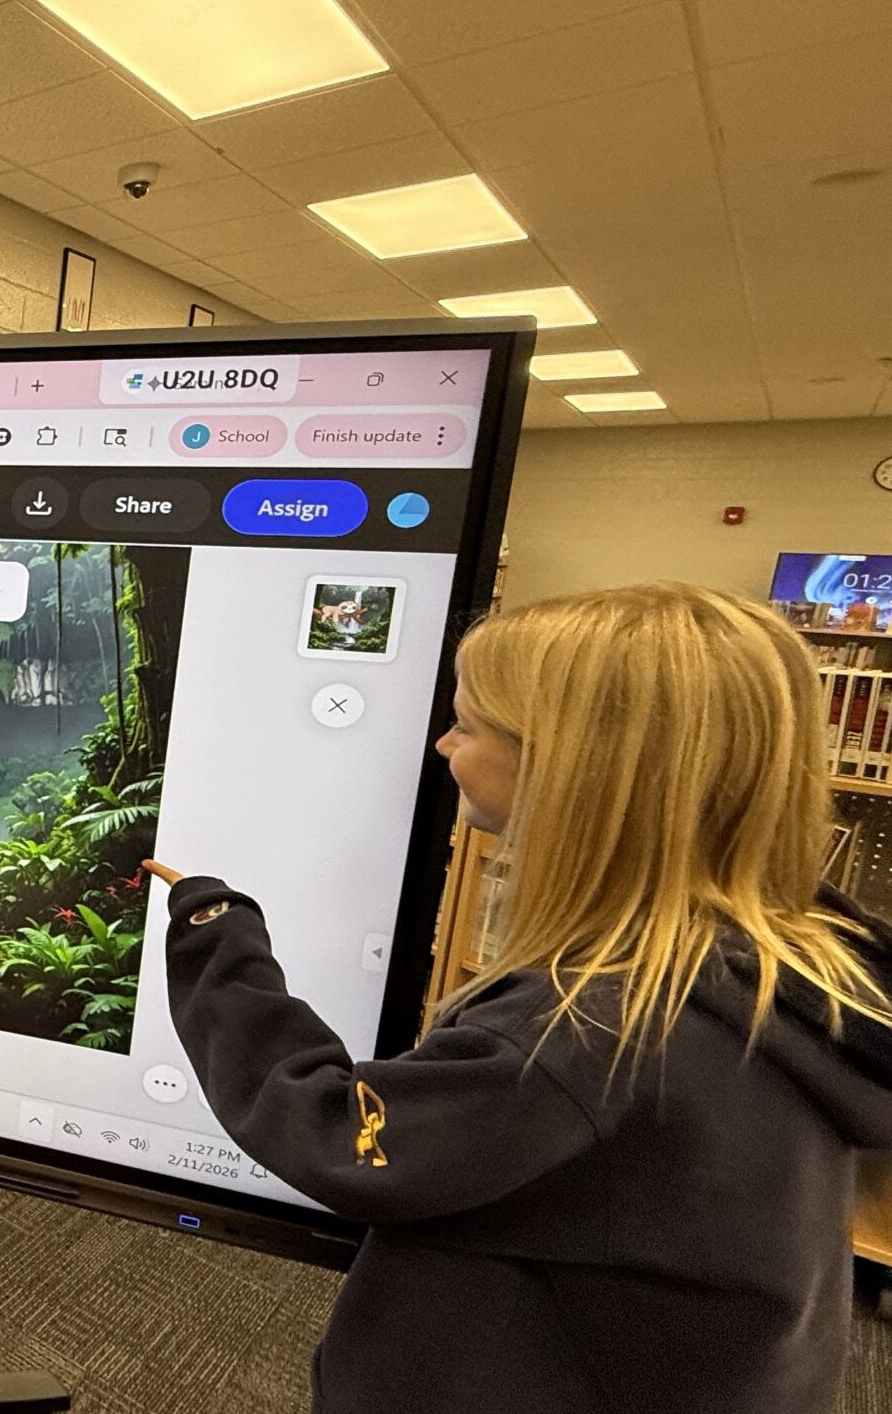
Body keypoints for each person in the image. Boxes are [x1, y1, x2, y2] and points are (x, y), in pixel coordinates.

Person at [147, 582, 892, 1414]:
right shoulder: (796, 964)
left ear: (569, 766)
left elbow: (335, 1132)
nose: (442, 743)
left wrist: (215, 929)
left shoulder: (594, 1032)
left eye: (467, 725)